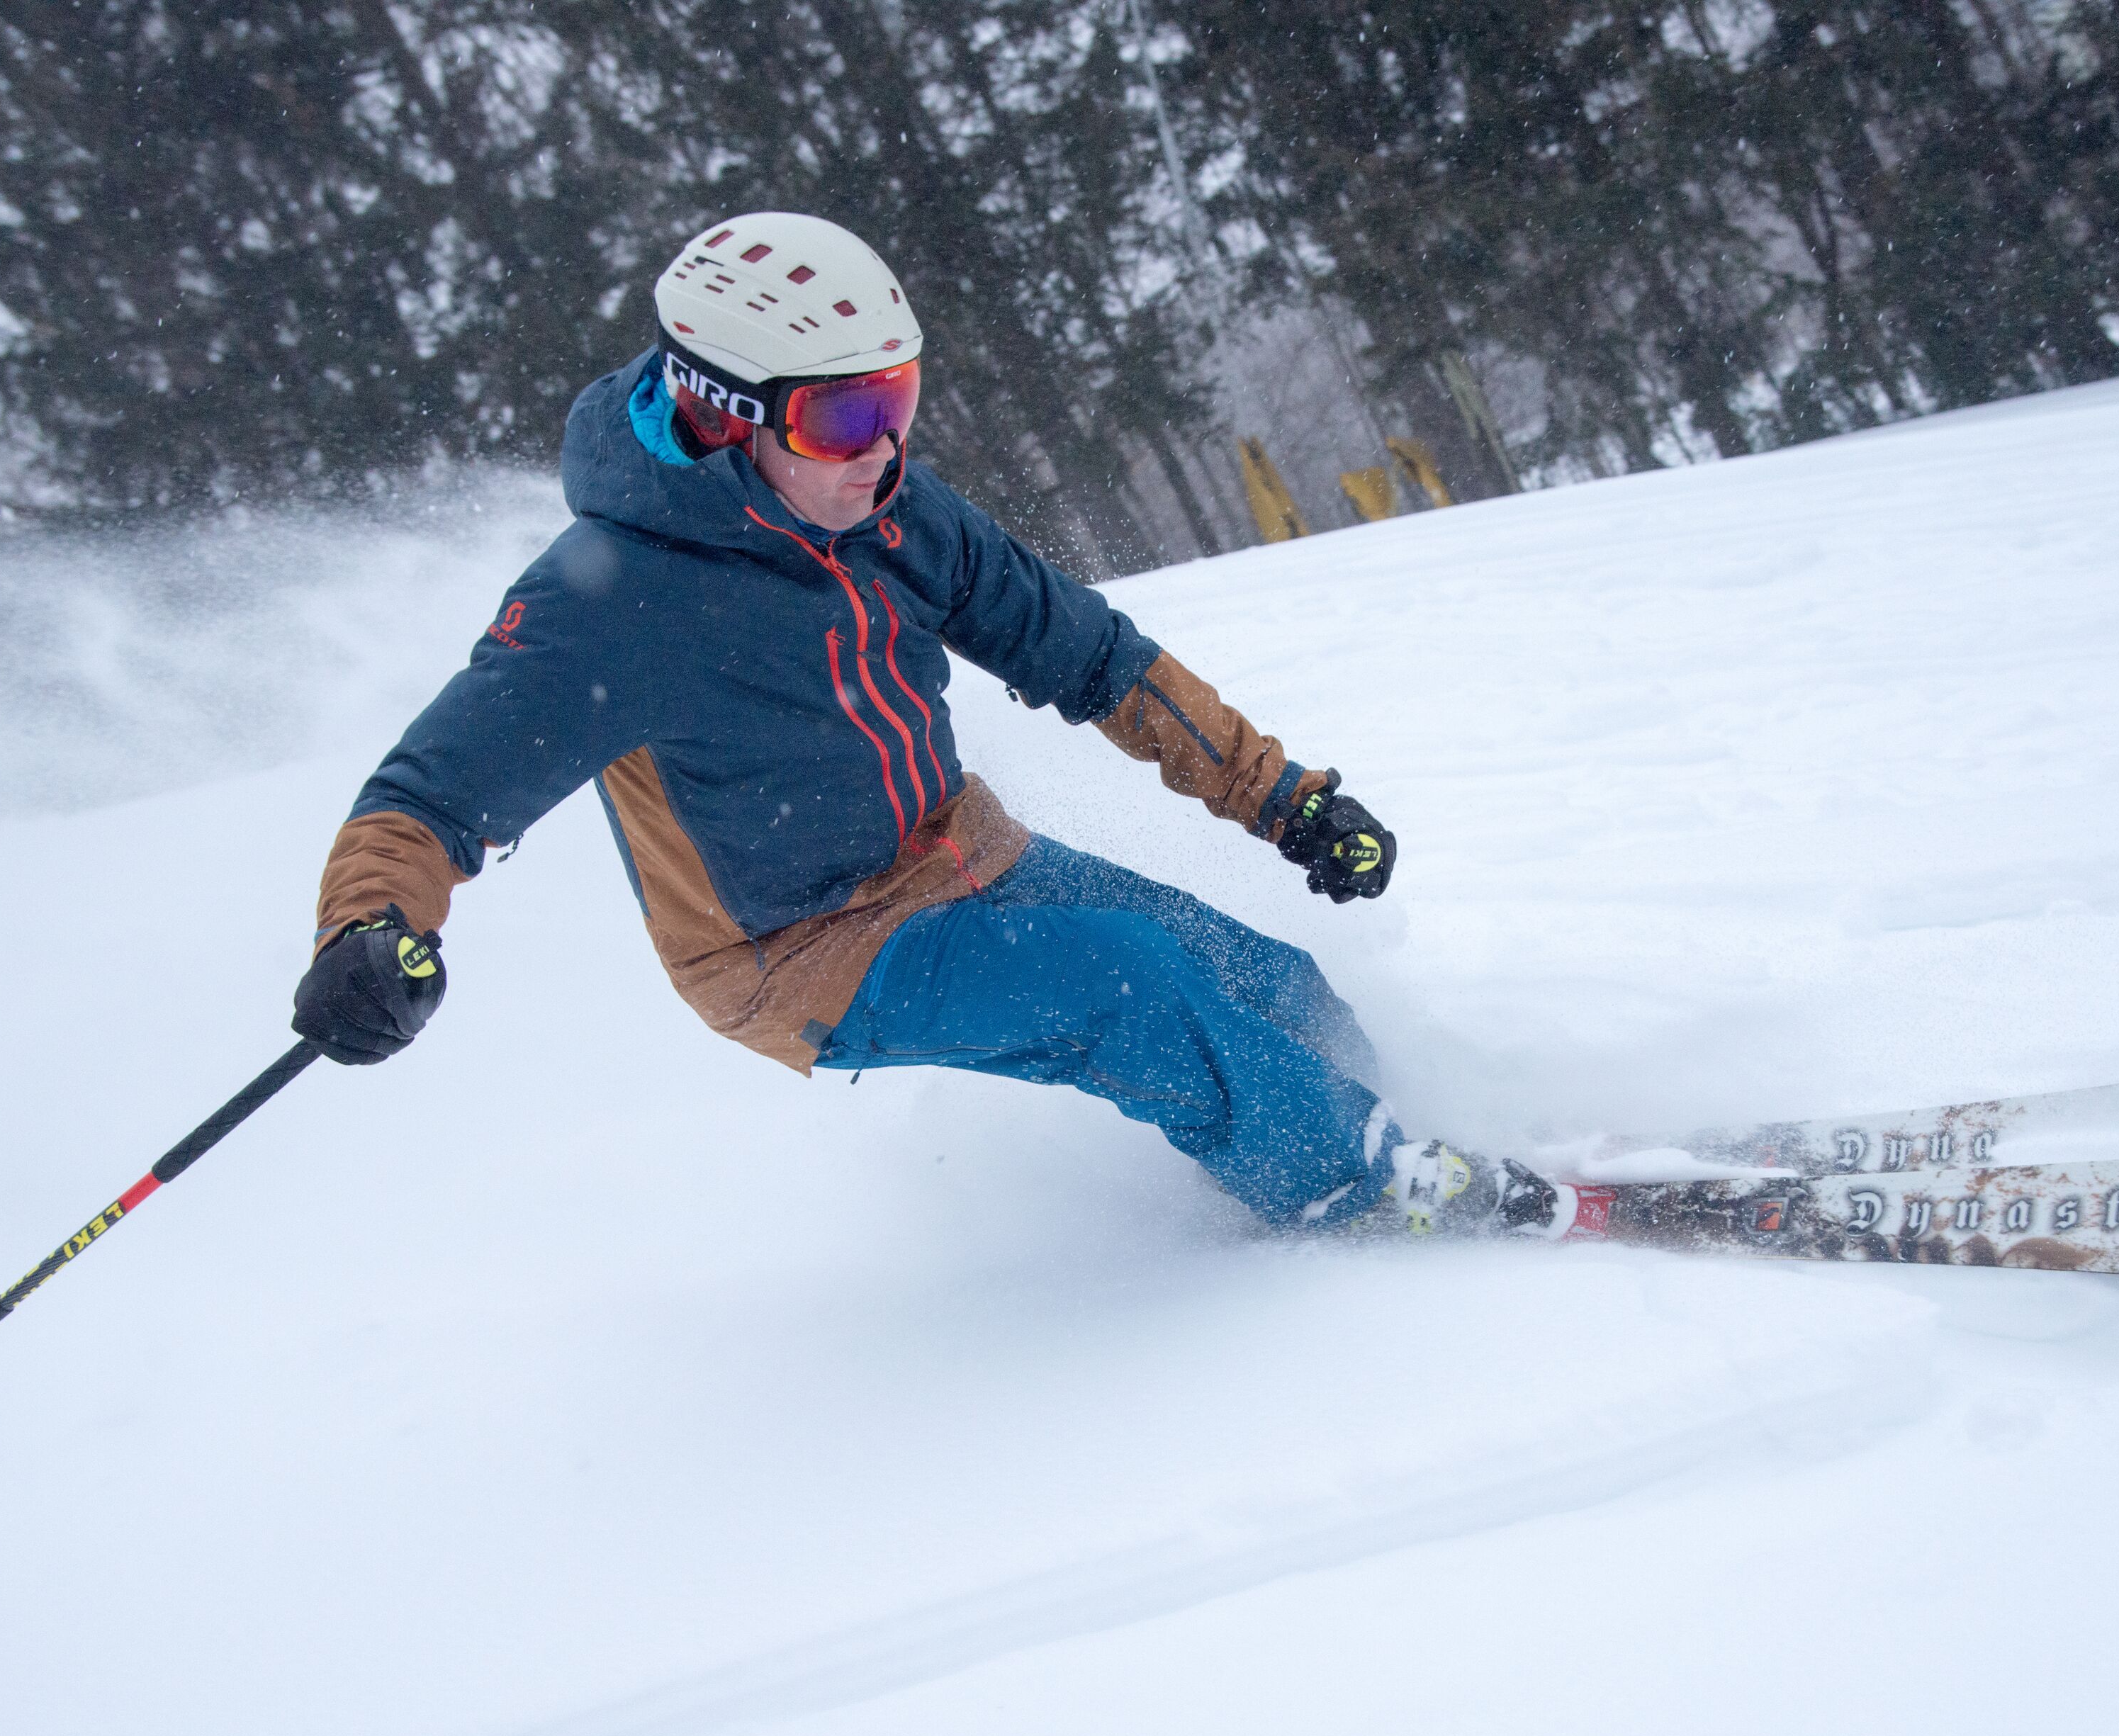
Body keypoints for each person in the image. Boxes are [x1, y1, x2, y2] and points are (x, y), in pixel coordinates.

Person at [290, 212, 1566, 1237]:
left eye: (898, 398)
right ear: (728, 413)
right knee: (1139, 993)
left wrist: (1279, 797)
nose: (884, 447)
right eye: (844, 417)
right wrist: (368, 932)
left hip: (964, 850)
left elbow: (1089, 654)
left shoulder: (888, 507)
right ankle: (1365, 1185)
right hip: (802, 947)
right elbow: (425, 799)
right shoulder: (613, 601)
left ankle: (1401, 1117)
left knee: (1268, 981)